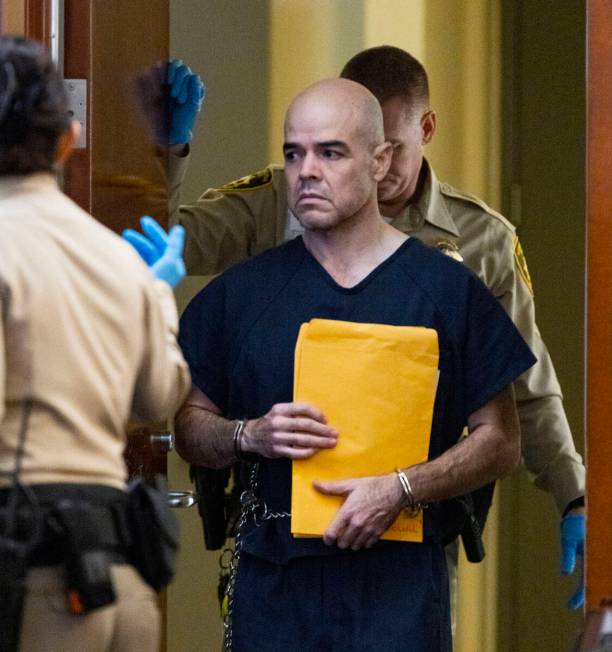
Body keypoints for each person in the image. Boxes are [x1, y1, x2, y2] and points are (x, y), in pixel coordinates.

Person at [157, 46, 586, 609]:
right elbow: (158, 248)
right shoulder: (281, 201)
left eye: (384, 148)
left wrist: (573, 495)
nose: (370, 165)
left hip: (409, 530)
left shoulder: (481, 240)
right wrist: (169, 152)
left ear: (419, 131)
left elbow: (524, 388)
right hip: (281, 528)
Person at [0, 36, 191, 652]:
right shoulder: (113, 255)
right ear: (65, 141)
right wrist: (157, 296)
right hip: (122, 581)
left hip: (32, 583)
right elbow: (160, 395)